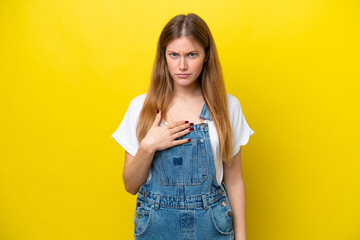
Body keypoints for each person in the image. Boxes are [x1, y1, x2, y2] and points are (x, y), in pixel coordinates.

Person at [111, 13, 255, 240]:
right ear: (164, 56)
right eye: (174, 55)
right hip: (156, 228)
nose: (182, 65)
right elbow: (130, 185)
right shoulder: (141, 107)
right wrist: (148, 146)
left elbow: (234, 180)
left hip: (213, 227)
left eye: (192, 54)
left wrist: (242, 238)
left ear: (206, 55)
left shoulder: (227, 106)